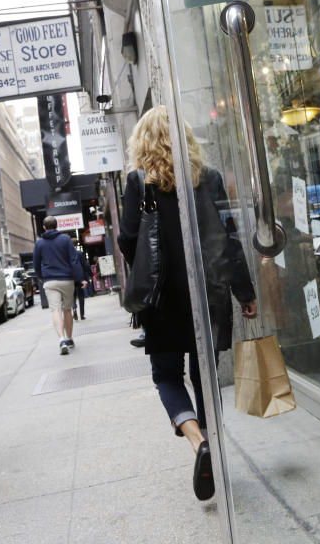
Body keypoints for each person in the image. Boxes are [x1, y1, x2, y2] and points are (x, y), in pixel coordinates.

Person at [119, 106, 257, 501]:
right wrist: (243, 292)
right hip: (208, 294)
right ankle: (212, 449)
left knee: (166, 376)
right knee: (205, 379)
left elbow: (129, 240)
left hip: (162, 300)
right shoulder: (208, 179)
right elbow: (225, 240)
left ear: (142, 142)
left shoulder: (138, 183)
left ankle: (198, 443)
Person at [33, 217, 83, 354]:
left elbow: (36, 263)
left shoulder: (39, 243)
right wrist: (80, 278)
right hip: (66, 279)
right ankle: (69, 338)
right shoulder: (66, 239)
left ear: (44, 227)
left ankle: (61, 339)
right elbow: (74, 260)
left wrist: (41, 277)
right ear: (57, 225)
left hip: (50, 281)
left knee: (55, 310)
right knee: (67, 310)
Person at [72, 248, 93, 320]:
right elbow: (85, 265)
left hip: (71, 278)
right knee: (81, 296)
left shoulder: (66, 254)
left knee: (72, 296)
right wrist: (91, 274)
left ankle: (74, 308)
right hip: (80, 277)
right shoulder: (79, 253)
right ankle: (82, 315)